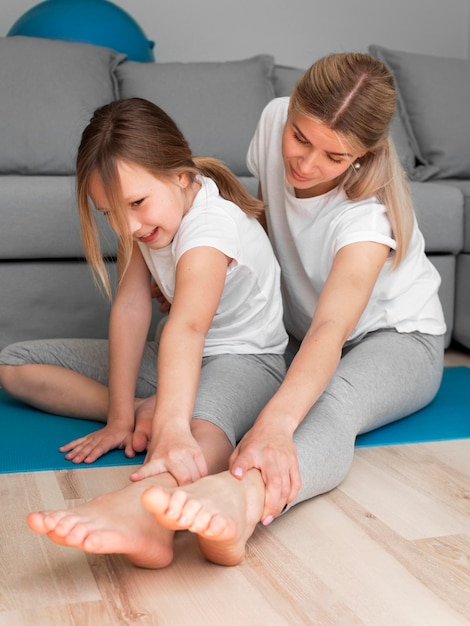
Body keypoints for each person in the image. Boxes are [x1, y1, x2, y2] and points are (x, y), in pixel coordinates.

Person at [23, 52, 445, 569]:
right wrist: (195, 274)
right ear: (289, 115)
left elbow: (331, 330)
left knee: (324, 407)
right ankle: (166, 503)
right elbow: (265, 231)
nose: (307, 165)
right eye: (301, 138)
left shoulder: (367, 219)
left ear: (363, 155)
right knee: (256, 408)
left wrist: (272, 429)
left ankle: (225, 506)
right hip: (297, 336)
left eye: (334, 158)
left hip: (395, 340)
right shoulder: (273, 120)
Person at [0, 97, 287, 488]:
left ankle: (160, 469)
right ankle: (145, 409)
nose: (129, 226)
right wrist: (120, 417)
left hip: (246, 361)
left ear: (181, 175)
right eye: (111, 214)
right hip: (178, 358)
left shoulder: (209, 228)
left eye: (137, 203)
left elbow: (187, 328)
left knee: (196, 438)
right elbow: (132, 308)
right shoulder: (140, 222)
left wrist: (171, 431)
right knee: (14, 367)